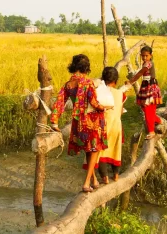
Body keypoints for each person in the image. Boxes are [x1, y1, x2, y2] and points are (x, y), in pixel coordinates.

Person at [50, 54, 111, 192]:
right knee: (94, 150)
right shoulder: (87, 83)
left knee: (88, 151)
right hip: (92, 121)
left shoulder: (68, 84)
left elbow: (59, 103)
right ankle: (86, 183)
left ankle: (94, 180)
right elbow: (94, 103)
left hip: (78, 123)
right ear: (86, 67)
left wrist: (54, 121)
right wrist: (104, 107)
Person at [125, 45, 162, 140]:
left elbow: (140, 73)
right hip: (145, 87)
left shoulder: (148, 64)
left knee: (148, 109)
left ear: (151, 55)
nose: (144, 58)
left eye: (146, 55)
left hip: (150, 88)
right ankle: (158, 120)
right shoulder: (145, 63)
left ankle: (151, 131)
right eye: (143, 56)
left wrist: (130, 81)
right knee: (145, 107)